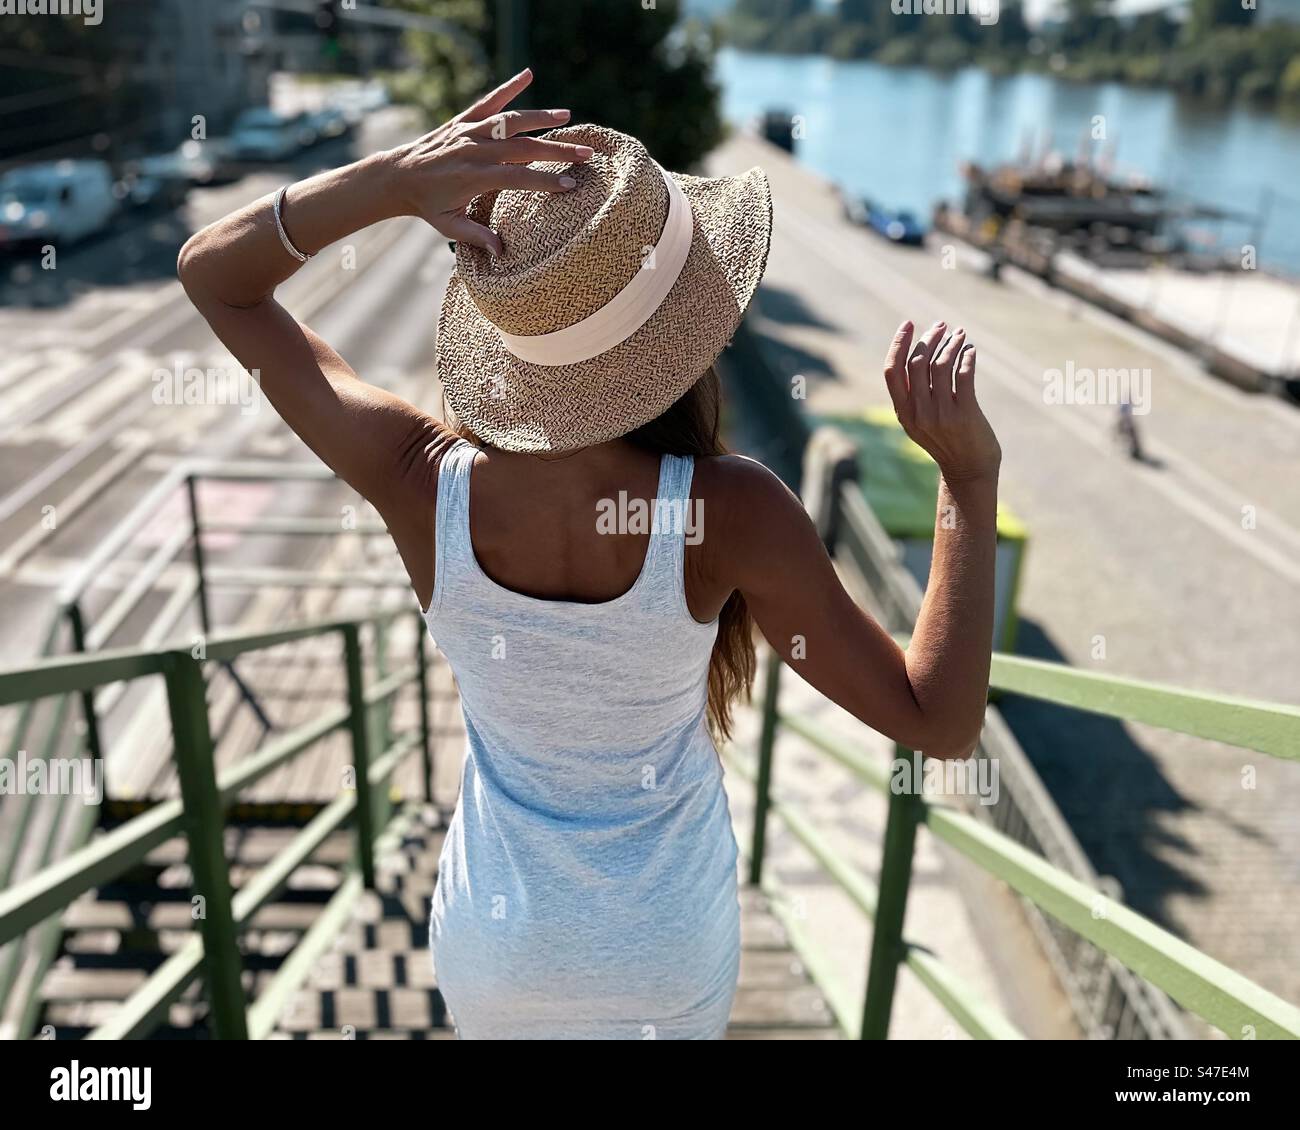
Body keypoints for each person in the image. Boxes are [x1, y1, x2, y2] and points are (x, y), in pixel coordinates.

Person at [177, 68, 1002, 1040]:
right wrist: (966, 480)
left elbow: (216, 279)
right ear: (687, 330)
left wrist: (396, 181)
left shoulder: (418, 480)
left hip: (498, 947)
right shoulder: (730, 513)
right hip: (662, 951)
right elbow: (936, 721)